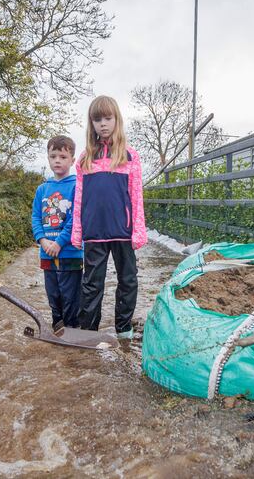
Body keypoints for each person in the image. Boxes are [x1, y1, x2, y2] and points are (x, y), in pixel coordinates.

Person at [71, 95, 146, 339]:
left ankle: (123, 329)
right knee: (92, 283)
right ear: (91, 124)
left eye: (107, 118)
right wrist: (77, 230)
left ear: (116, 120)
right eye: (97, 119)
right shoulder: (85, 158)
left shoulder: (130, 156)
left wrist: (138, 230)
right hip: (94, 232)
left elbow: (136, 196)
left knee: (128, 280)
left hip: (122, 231)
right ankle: (88, 332)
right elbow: (80, 197)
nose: (102, 124)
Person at [31, 136, 83, 329]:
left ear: (72, 160)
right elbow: (36, 217)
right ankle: (57, 329)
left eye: (62, 156)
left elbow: (77, 219)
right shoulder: (42, 189)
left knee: (71, 297)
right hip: (46, 252)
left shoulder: (77, 186)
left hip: (71, 252)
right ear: (48, 158)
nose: (57, 160)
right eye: (53, 156)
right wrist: (42, 240)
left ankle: (72, 332)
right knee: (53, 296)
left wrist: (60, 242)